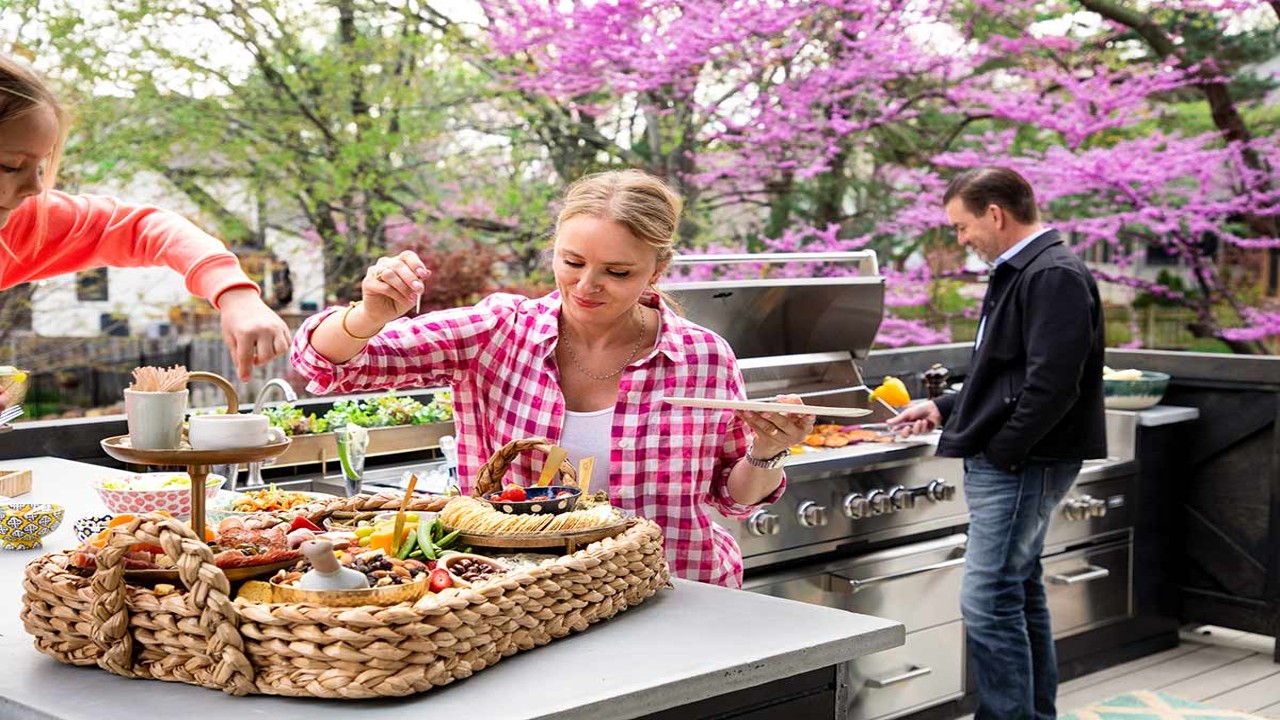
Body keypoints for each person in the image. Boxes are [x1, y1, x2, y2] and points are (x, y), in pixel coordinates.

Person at [290, 169, 815, 588]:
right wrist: (369, 314)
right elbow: (327, 365)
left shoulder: (701, 357)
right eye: (572, 261)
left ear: (656, 271)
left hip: (677, 589)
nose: (587, 286)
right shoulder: (496, 332)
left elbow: (737, 496)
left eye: (618, 272)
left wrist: (767, 451)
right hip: (526, 598)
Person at [890, 166, 1105, 720]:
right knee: (1019, 590)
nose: (961, 240)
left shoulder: (1051, 273)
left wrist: (1005, 451)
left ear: (995, 214)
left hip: (1022, 462)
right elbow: (1000, 368)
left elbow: (1053, 383)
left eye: (962, 227)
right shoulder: (1022, 270)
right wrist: (942, 406)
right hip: (1017, 460)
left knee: (986, 601)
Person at [0, 53, 289, 409]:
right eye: (10, 166)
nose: (35, 188)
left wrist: (236, 294)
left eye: (41, 167)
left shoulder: (24, 222)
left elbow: (143, 227)